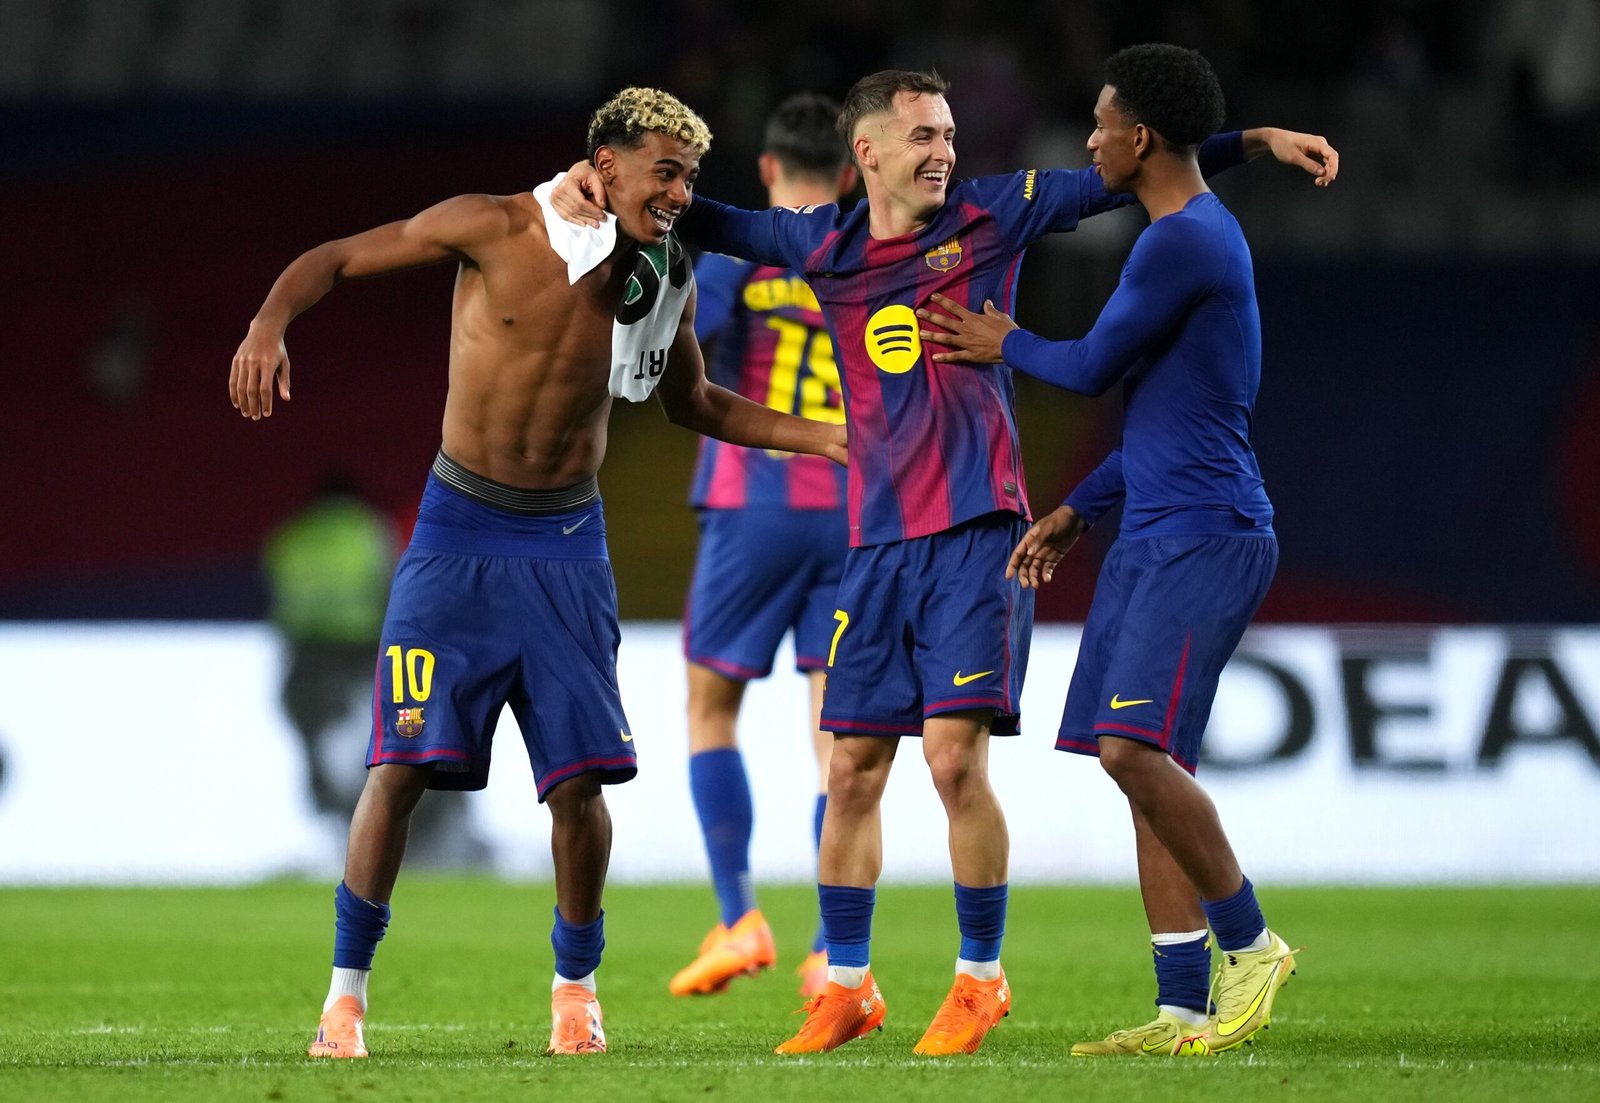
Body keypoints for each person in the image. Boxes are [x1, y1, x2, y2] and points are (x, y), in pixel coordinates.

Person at [552, 70, 1333, 1057]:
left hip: (976, 533)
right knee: (850, 766)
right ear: (867, 152)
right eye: (922, 135)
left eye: (950, 134)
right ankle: (845, 985)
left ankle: (978, 977)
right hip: (875, 543)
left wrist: (1250, 141)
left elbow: (1139, 167)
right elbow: (699, 213)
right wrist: (596, 182)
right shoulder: (821, 244)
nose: (944, 152)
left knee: (954, 758)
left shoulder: (994, 214)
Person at [229, 86, 846, 1061]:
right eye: (665, 173)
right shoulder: (491, 226)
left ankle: (576, 991)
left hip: (565, 544)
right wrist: (270, 322)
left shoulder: (663, 273)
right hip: (455, 534)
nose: (681, 195)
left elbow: (693, 402)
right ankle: (344, 999)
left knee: (579, 785)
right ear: (606, 165)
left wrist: (828, 437)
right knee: (397, 769)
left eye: (690, 177)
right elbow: (337, 257)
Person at [917, 44, 1332, 1056]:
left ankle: (1252, 941)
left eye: (1101, 124)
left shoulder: (1182, 242)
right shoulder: (1179, 229)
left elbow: (1095, 366)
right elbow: (1161, 412)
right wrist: (1079, 508)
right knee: (1146, 766)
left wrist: (1003, 340)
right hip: (1154, 523)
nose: (1090, 140)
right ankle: (1182, 1006)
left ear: (1138, 137)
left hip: (1206, 532)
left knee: (1131, 749)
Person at [669, 92, 857, 1001]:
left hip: (754, 503)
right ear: (852, 174)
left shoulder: (744, 252)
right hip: (855, 511)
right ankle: (831, 948)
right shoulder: (866, 251)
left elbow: (685, 342)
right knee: (837, 736)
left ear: (769, 170)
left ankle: (738, 916)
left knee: (711, 711)